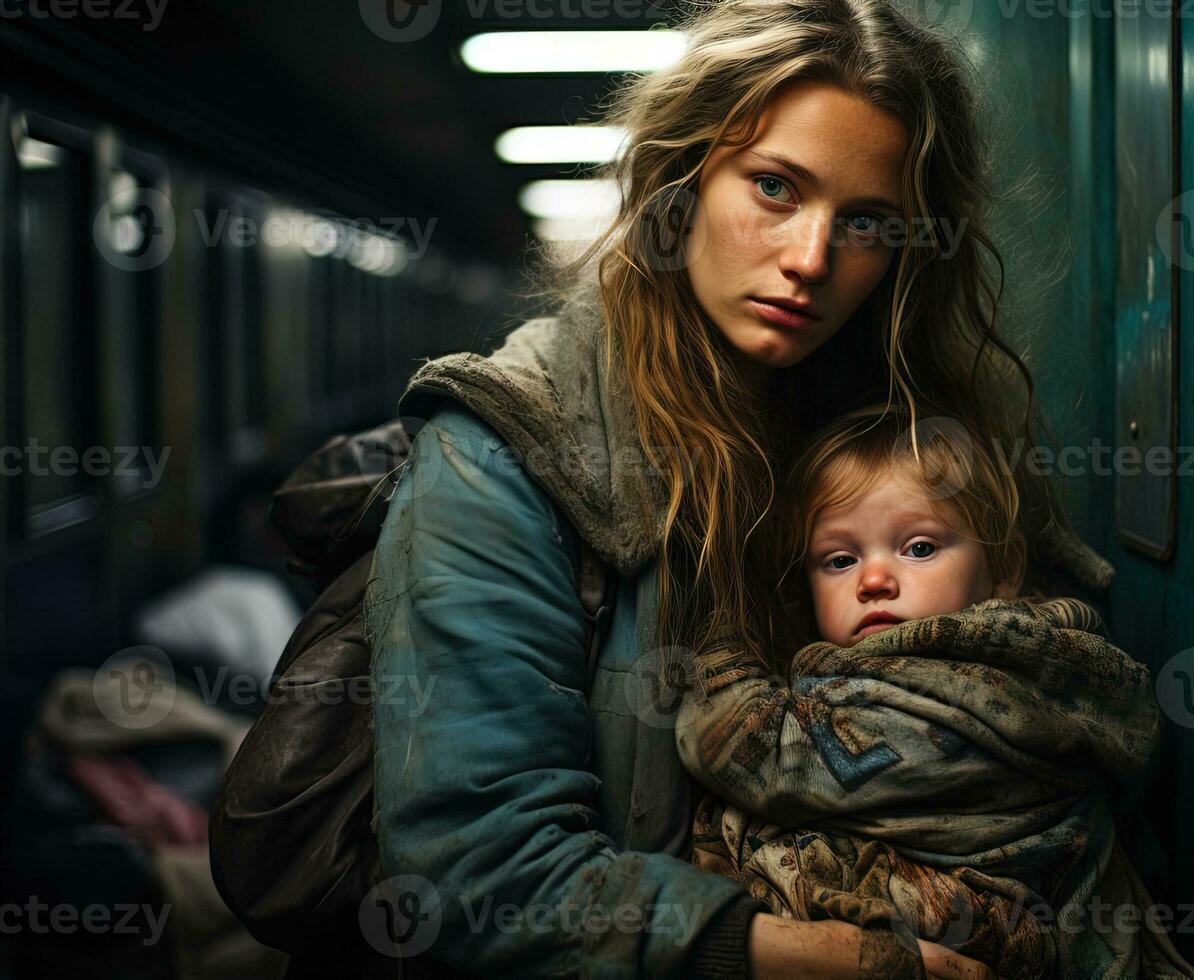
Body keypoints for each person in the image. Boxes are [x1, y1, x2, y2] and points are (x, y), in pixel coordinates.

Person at [366, 0, 1114, 976]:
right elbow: (476, 877)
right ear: (682, 182)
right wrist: (848, 956)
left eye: (867, 221)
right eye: (773, 188)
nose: (810, 258)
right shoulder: (502, 453)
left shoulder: (913, 438)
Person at [675, 406, 1194, 980]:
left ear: (1003, 569)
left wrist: (720, 628)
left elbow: (750, 747)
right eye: (840, 559)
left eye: (919, 547)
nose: (873, 580)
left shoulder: (960, 689)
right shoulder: (1058, 670)